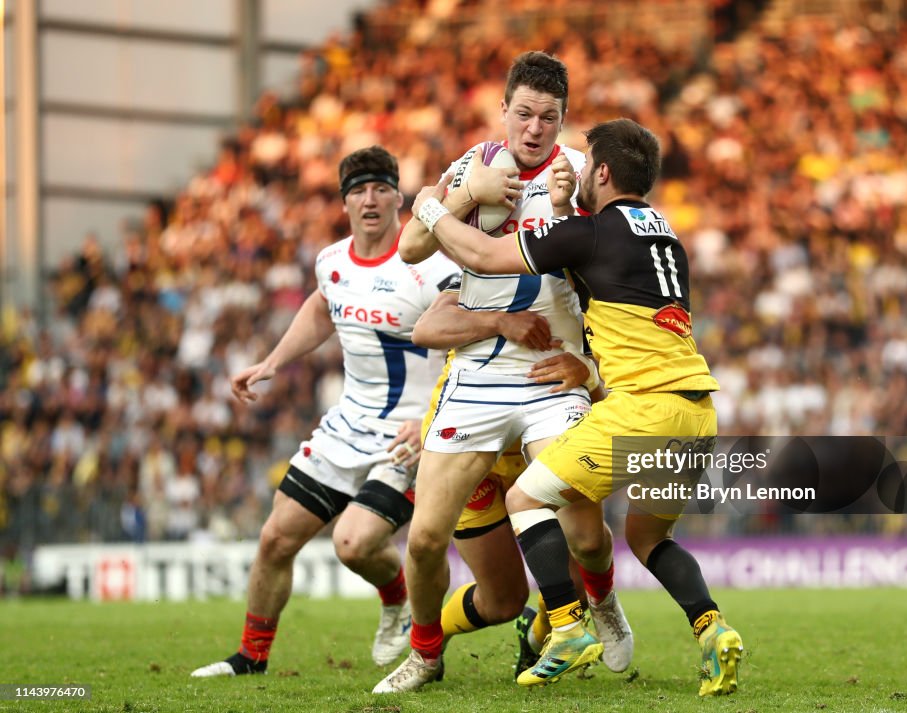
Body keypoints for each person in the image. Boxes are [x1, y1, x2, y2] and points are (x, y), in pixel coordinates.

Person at [408, 118, 744, 696]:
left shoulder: (590, 233)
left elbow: (487, 258)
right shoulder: (667, 237)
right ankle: (713, 630)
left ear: (605, 173)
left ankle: (565, 629)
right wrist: (587, 367)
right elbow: (628, 316)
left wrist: (432, 210)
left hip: (642, 410)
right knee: (650, 541)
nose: (578, 172)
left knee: (524, 498)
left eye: (587, 166)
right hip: (698, 411)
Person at [374, 52, 632, 694]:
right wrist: (465, 195)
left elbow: (612, 268)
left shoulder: (581, 175)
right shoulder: (473, 165)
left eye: (549, 116)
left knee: (586, 533)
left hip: (552, 377)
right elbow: (408, 248)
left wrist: (576, 214)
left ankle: (599, 601)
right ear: (504, 111)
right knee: (427, 538)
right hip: (479, 378)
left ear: (563, 119)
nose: (535, 127)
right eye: (524, 113)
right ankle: (426, 653)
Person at [191, 146, 460, 677]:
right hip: (346, 426)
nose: (370, 199)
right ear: (344, 203)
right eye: (358, 190)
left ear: (398, 197)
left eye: (381, 188)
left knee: (353, 544)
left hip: (410, 435)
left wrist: (432, 415)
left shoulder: (432, 266)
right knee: (275, 538)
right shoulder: (332, 263)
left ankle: (396, 597)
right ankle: (251, 658)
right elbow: (322, 306)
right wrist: (272, 361)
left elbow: (467, 340)